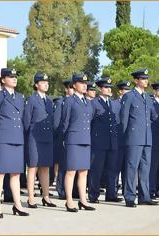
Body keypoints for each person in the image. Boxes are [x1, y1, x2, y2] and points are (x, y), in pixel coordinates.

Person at [0, 68, 29, 217]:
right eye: (10, 76)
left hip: (17, 139)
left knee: (16, 174)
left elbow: (23, 118)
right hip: (3, 139)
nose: (14, 79)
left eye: (15, 76)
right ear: (3, 79)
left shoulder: (20, 97)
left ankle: (17, 205)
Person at [120, 68, 159, 207]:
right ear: (136, 80)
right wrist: (125, 137)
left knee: (145, 168)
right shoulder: (130, 96)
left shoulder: (148, 97)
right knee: (132, 167)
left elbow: (154, 116)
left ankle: (144, 196)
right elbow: (124, 118)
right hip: (133, 138)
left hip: (147, 137)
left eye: (146, 78)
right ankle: (130, 197)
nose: (145, 81)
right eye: (142, 79)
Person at [61, 73, 95, 212]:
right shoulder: (69, 101)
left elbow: (90, 119)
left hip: (85, 139)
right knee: (71, 172)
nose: (84, 85)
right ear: (74, 85)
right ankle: (69, 200)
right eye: (81, 83)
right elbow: (65, 122)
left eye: (85, 83)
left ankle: (83, 200)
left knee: (83, 172)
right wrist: (65, 138)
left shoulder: (88, 102)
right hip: (73, 139)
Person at [23, 72, 56, 208]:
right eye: (43, 82)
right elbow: (26, 120)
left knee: (45, 167)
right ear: (36, 85)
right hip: (34, 137)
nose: (46, 84)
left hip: (47, 137)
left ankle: (46, 197)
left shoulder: (49, 100)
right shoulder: (32, 99)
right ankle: (31, 197)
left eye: (47, 82)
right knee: (33, 167)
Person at [88, 77, 122, 203]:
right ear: (100, 89)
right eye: (106, 87)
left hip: (112, 142)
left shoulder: (113, 103)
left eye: (110, 87)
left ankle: (111, 194)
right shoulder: (94, 103)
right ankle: (93, 195)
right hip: (99, 142)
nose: (109, 89)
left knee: (112, 169)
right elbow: (89, 122)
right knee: (96, 169)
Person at [54, 80, 74, 200]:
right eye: (70, 88)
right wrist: (62, 137)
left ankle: (72, 191)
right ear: (66, 89)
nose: (72, 89)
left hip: (73, 138)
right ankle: (61, 190)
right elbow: (57, 123)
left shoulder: (77, 102)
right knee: (63, 165)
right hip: (63, 138)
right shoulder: (61, 102)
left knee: (72, 166)